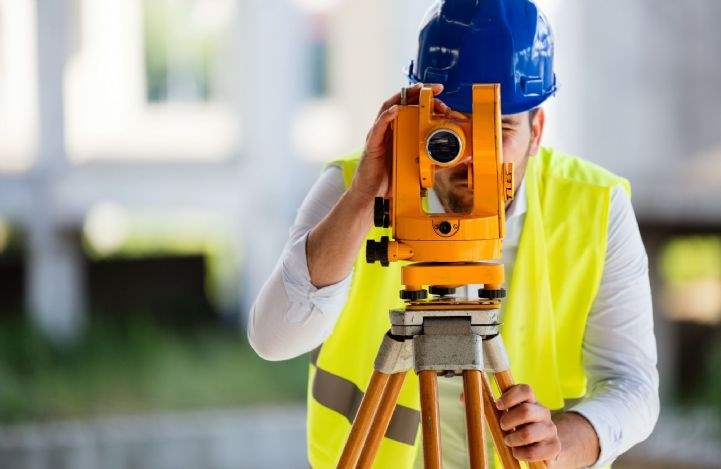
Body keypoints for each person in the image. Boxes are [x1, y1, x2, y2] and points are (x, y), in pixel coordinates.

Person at [248, 1, 659, 467]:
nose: (470, 156)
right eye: (452, 130)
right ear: (416, 114)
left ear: (536, 130)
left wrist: (562, 441)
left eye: (497, 129)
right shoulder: (354, 186)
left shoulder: (596, 207)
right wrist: (366, 194)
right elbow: (273, 338)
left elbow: (634, 386)